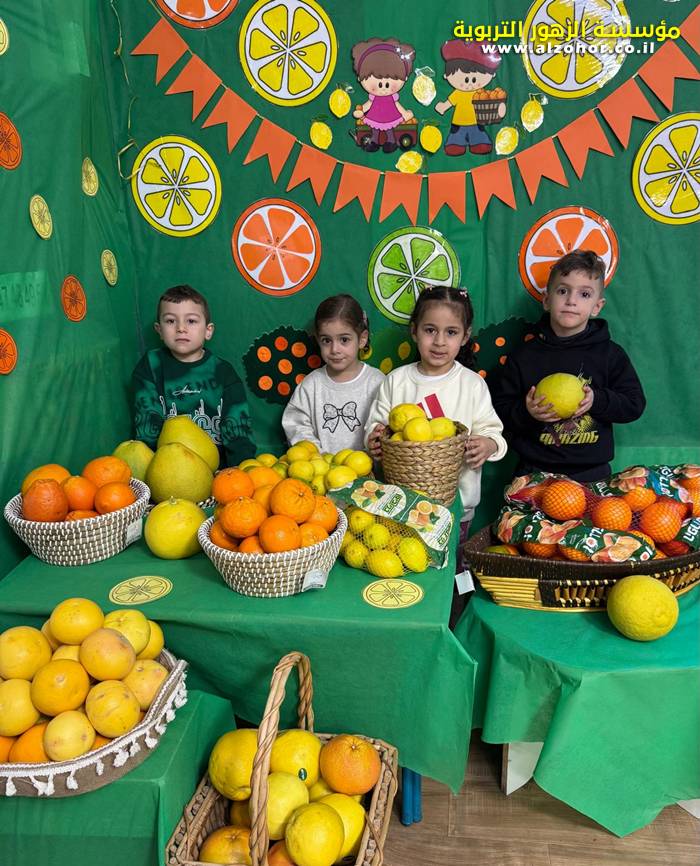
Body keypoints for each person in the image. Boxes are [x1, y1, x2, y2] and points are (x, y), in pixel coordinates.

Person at [364, 286, 507, 582]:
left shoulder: (472, 384)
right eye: (430, 330)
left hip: (457, 505)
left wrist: (489, 444)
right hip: (401, 505)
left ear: (465, 336)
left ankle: (456, 600)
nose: (440, 341)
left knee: (451, 569)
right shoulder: (396, 381)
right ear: (414, 331)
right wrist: (373, 439)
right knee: (406, 568)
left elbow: (493, 431)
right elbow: (376, 424)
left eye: (451, 332)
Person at [489, 249, 646, 482]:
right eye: (563, 291)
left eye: (584, 294)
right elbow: (498, 410)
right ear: (546, 300)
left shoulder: (610, 355)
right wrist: (527, 412)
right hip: (534, 472)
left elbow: (634, 404)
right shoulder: (524, 356)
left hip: (591, 473)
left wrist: (597, 400)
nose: (571, 300)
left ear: (597, 306)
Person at [131, 284, 255, 467]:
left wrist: (241, 469)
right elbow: (146, 426)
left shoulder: (223, 372)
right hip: (167, 467)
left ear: (208, 330)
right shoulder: (150, 366)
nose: (181, 328)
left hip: (219, 469)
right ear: (159, 330)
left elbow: (238, 429)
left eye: (191, 321)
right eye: (170, 321)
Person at [282, 294, 385, 453]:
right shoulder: (311, 385)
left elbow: (385, 426)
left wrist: (375, 446)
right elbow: (295, 424)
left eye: (344, 340)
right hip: (321, 467)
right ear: (318, 340)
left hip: (368, 467)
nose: (334, 349)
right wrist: (316, 454)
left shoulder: (377, 382)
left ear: (362, 339)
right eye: (326, 340)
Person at [434, 39, 505, 156]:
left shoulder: (481, 93)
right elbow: (450, 102)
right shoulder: (458, 93)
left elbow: (490, 102)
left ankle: (479, 143)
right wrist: (443, 107)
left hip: (476, 122)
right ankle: (455, 144)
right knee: (456, 138)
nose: (470, 84)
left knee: (479, 136)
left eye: (474, 79)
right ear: (447, 76)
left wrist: (499, 109)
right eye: (466, 79)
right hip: (458, 122)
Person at [351, 37, 415, 153]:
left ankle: (391, 141)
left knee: (390, 129)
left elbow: (397, 105)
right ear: (360, 78)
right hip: (375, 116)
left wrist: (405, 113)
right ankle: (374, 141)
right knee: (375, 129)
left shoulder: (392, 97)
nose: (384, 89)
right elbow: (368, 104)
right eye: (379, 84)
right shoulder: (373, 97)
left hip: (390, 116)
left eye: (388, 84)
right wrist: (361, 110)